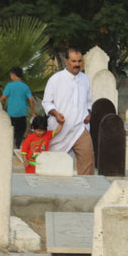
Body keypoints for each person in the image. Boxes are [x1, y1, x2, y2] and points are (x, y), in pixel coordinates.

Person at [41, 47, 94, 175]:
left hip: (80, 128)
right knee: (53, 164)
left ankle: (86, 193)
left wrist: (89, 113)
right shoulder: (56, 79)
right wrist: (56, 114)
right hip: (60, 129)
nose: (77, 64)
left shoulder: (85, 79)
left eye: (79, 61)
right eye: (74, 61)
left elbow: (89, 101)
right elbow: (47, 102)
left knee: (88, 161)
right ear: (66, 61)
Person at [0, 67, 36, 148]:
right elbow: (31, 100)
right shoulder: (25, 86)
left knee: (10, 132)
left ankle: (9, 148)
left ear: (13, 75)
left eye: (10, 75)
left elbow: (3, 98)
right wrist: (33, 112)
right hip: (22, 115)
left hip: (11, 115)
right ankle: (18, 146)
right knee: (20, 132)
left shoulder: (9, 85)